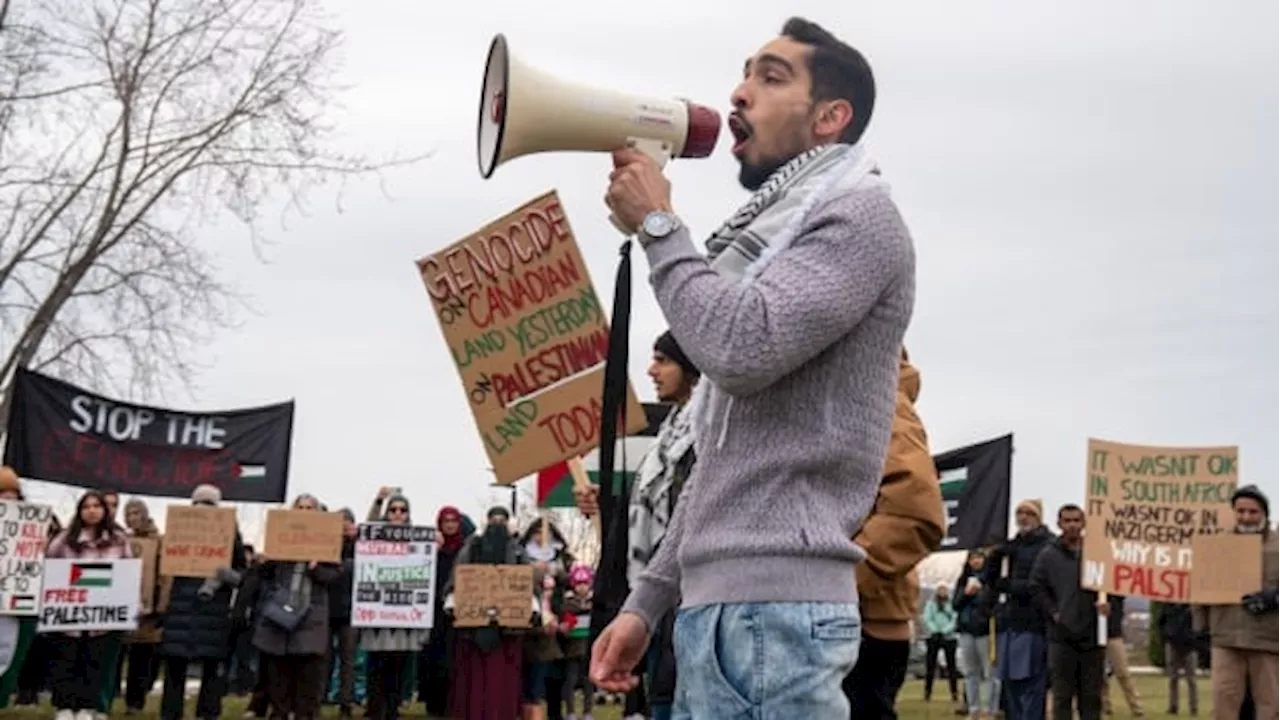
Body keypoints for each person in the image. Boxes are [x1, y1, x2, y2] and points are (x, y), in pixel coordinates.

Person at [593, 16, 914, 719]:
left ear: (831, 117)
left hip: (780, 616)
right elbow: (721, 462)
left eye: (771, 77)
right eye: (744, 74)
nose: (740, 92)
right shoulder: (769, 246)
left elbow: (741, 350)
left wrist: (657, 227)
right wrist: (647, 604)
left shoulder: (861, 220)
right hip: (727, 608)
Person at [157, 484, 246, 720]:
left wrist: (222, 575)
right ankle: (172, 713)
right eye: (199, 503)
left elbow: (241, 575)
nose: (203, 509)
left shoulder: (229, 532)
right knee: (176, 665)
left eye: (209, 504)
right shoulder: (178, 528)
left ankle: (207, 712)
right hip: (181, 606)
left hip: (212, 607)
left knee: (211, 666)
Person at [45, 490, 134, 720]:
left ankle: (87, 707)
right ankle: (64, 707)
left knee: (94, 661)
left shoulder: (119, 540)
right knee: (66, 660)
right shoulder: (64, 540)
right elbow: (49, 569)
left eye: (97, 506)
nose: (92, 511)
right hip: (68, 617)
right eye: (87, 506)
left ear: (105, 511)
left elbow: (128, 573)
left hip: (102, 618)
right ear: (79, 511)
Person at [1193, 484, 1280, 720]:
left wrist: (1274, 597)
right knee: (1223, 707)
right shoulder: (1217, 546)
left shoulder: (1278, 545)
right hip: (1226, 639)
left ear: (1264, 513)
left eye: (1253, 512)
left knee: (1270, 708)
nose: (1246, 517)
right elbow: (1200, 591)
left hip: (1268, 641)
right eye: (1240, 511)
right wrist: (1200, 629)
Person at [253, 494, 340, 720]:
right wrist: (264, 561)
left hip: (312, 616)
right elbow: (264, 576)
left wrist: (315, 568)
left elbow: (334, 577)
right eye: (300, 507)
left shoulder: (326, 544)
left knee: (308, 677)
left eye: (309, 508)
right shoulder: (280, 539)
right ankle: (280, 712)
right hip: (281, 615)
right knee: (280, 675)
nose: (304, 511)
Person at [446, 506, 536, 720]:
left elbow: (527, 583)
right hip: (474, 628)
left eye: (502, 520)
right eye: (493, 519)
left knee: (502, 679)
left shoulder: (516, 550)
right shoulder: (471, 548)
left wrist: (531, 607)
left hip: (507, 630)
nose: (497, 524)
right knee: (474, 678)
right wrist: (453, 603)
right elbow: (457, 578)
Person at [1030, 504, 1105, 720]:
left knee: (1091, 698)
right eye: (1067, 521)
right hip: (1061, 637)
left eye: (1076, 521)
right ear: (1059, 524)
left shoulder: (1097, 552)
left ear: (1084, 523)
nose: (1072, 525)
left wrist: (1109, 609)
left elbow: (1114, 585)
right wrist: (1053, 612)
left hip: (1092, 636)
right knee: (1062, 697)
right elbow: (1036, 586)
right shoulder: (1048, 555)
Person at [360, 494, 430, 720]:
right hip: (376, 613)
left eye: (402, 510)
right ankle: (374, 708)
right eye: (393, 510)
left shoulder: (417, 539)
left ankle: (392, 708)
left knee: (398, 665)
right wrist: (378, 501)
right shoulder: (376, 535)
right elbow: (367, 527)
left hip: (403, 616)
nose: (398, 514)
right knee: (375, 665)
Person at [986, 499, 1054, 720]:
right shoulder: (1011, 546)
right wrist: (994, 558)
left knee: (1031, 681)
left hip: (1033, 623)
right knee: (1009, 682)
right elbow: (991, 581)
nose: (1023, 517)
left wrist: (1011, 586)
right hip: (1009, 621)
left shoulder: (1047, 546)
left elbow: (1042, 585)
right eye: (1019, 512)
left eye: (1029, 513)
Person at [419, 506, 469, 716]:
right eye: (445, 521)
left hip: (456, 609)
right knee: (433, 656)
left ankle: (452, 701)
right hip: (432, 610)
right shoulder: (431, 548)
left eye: (453, 521)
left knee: (453, 656)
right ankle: (433, 702)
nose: (449, 524)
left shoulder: (465, 549)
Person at [120, 499, 164, 714]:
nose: (132, 517)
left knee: (143, 656)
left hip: (149, 608)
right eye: (128, 513)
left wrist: (160, 604)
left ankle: (136, 701)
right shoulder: (121, 540)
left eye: (136, 513)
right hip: (123, 605)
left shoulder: (159, 541)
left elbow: (164, 575)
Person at [954, 550, 999, 719]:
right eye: (973, 558)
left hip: (985, 630)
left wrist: (980, 592)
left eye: (979, 558)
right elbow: (955, 604)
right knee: (971, 672)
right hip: (966, 630)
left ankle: (990, 708)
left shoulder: (990, 580)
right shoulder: (963, 580)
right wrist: (966, 594)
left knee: (989, 672)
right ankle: (973, 708)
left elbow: (991, 603)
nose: (976, 561)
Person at [328, 509, 357, 718]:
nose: (344, 526)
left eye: (348, 523)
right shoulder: (326, 545)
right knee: (323, 658)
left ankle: (345, 701)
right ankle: (320, 696)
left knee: (348, 659)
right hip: (328, 608)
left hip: (352, 611)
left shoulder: (360, 547)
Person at [1100, 595, 1144, 717]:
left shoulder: (1115, 594)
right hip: (1095, 634)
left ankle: (1136, 706)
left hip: (1114, 634)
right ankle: (1104, 705)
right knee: (1098, 674)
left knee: (1123, 672)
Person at [1157, 602, 1198, 716]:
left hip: (1189, 645)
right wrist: (1165, 637)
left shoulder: (1191, 606)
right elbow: (1161, 623)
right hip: (1172, 643)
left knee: (1191, 679)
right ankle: (1173, 706)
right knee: (1173, 678)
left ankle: (1193, 707)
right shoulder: (1167, 605)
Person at [923, 583, 960, 706]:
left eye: (945, 591)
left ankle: (954, 692)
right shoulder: (931, 604)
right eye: (940, 590)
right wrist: (935, 630)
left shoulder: (952, 604)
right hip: (933, 637)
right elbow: (927, 618)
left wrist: (945, 630)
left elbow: (955, 618)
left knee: (951, 666)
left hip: (949, 637)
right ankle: (927, 692)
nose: (942, 593)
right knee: (930, 666)